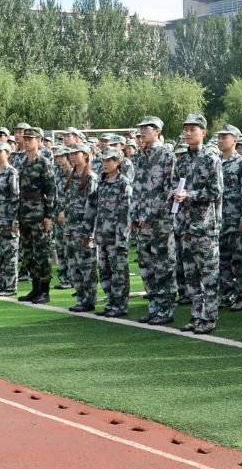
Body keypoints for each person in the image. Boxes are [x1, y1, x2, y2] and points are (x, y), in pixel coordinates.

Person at [174, 113, 223, 334]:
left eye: (192, 129)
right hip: (186, 227)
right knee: (191, 276)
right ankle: (196, 316)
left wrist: (190, 195)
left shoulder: (211, 158)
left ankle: (209, 317)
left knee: (208, 276)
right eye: (185, 129)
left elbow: (216, 191)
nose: (187, 133)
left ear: (203, 132)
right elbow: (174, 184)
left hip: (205, 227)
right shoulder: (182, 160)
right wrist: (175, 194)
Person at [133, 115, 177, 325]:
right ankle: (154, 308)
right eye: (141, 128)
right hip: (142, 223)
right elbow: (136, 188)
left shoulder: (166, 155)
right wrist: (134, 215)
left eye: (147, 128)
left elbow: (169, 190)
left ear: (157, 131)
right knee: (146, 266)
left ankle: (166, 309)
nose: (142, 131)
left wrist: (148, 214)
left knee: (163, 266)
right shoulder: (141, 156)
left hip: (160, 222)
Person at [92, 147, 133, 317]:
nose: (106, 163)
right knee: (104, 271)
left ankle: (120, 305)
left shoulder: (123, 183)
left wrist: (121, 237)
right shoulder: (101, 181)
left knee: (119, 272)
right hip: (102, 234)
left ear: (118, 162)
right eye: (104, 160)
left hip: (116, 235)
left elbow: (126, 212)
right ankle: (111, 302)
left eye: (110, 160)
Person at [16, 126, 56, 304]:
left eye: (30, 139)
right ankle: (35, 288)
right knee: (28, 254)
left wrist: (48, 215)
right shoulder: (23, 162)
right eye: (25, 139)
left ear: (39, 141)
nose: (26, 142)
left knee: (41, 253)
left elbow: (51, 190)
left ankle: (45, 291)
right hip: (24, 213)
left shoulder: (43, 162)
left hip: (38, 213)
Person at [216, 125, 242, 312]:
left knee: (241, 260)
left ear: (235, 140)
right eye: (219, 137)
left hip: (237, 220)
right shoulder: (216, 162)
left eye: (225, 137)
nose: (221, 140)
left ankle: (241, 295)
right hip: (219, 221)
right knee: (223, 260)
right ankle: (227, 293)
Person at [62, 144, 99, 312]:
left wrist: (88, 231)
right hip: (71, 228)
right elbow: (68, 202)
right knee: (73, 267)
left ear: (85, 155)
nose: (73, 156)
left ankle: (89, 299)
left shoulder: (90, 177)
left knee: (86, 266)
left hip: (84, 229)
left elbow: (93, 206)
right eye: (71, 153)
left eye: (77, 153)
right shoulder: (72, 176)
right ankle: (80, 297)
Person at [0, 142, 21, 297]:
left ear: (8, 154)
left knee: (9, 254)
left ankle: (10, 286)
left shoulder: (11, 173)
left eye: (0, 152)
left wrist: (15, 220)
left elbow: (16, 197)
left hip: (7, 220)